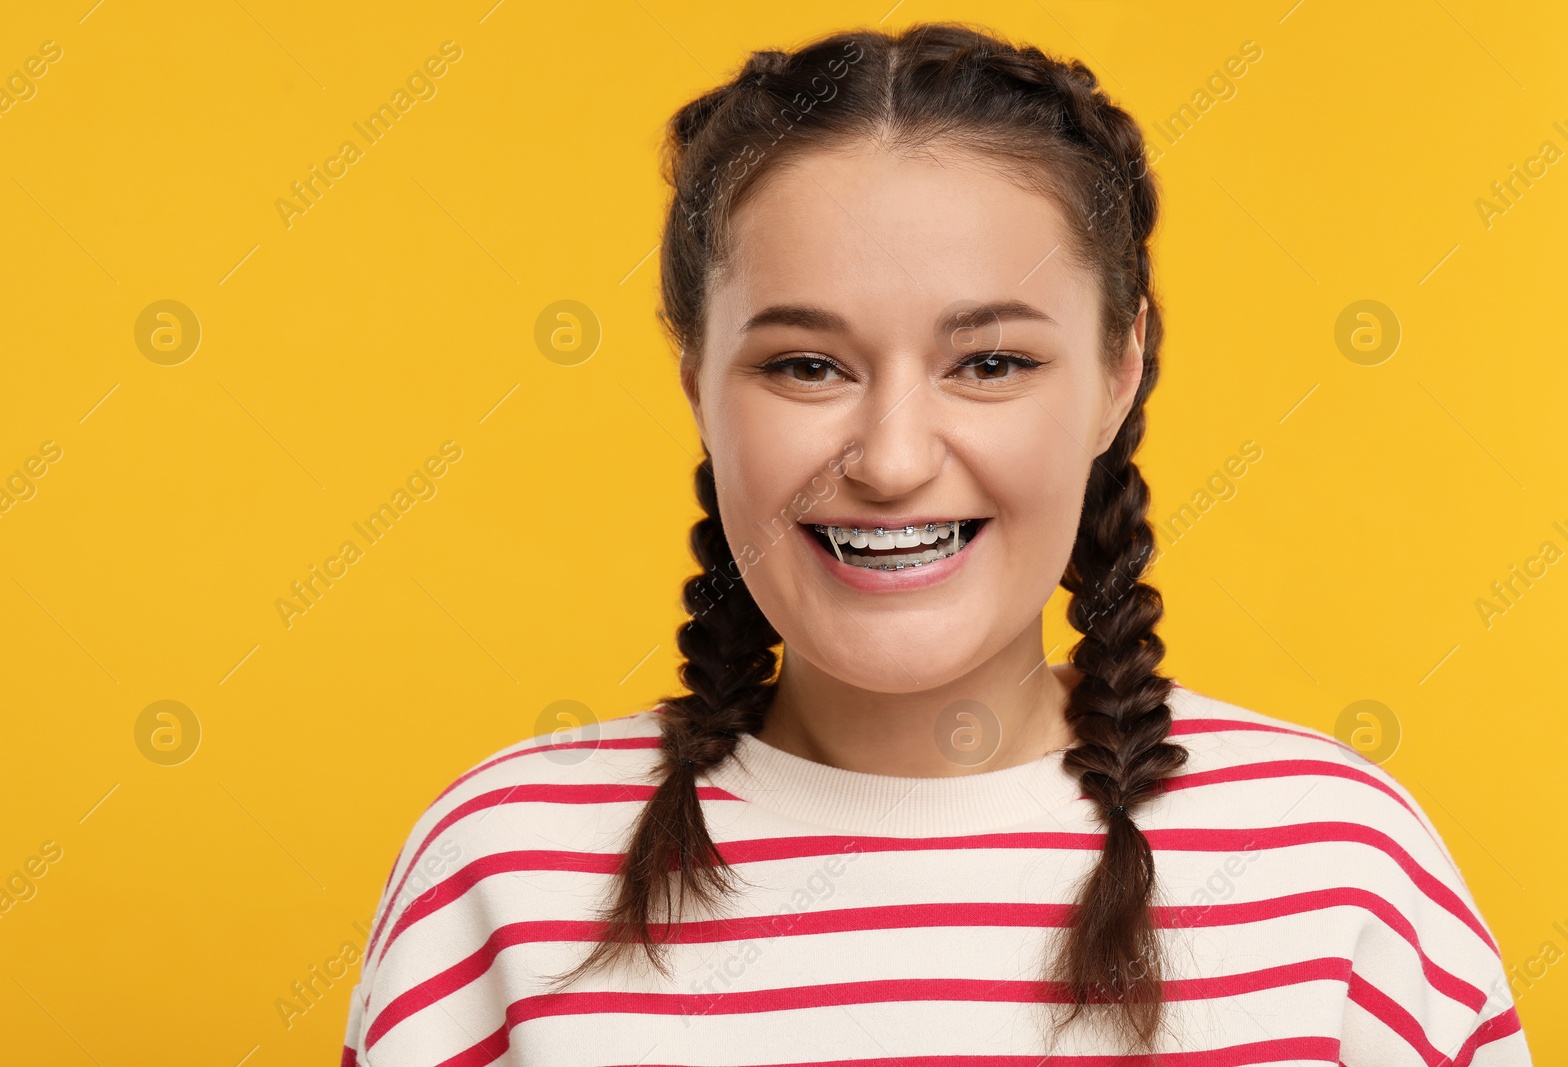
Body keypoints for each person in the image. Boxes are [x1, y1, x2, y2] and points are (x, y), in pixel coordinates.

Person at [340, 22, 1530, 1066]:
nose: (894, 457)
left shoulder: (1340, 869)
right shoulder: (499, 872)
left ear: (1120, 373)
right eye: (805, 364)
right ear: (695, 374)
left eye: (991, 363)